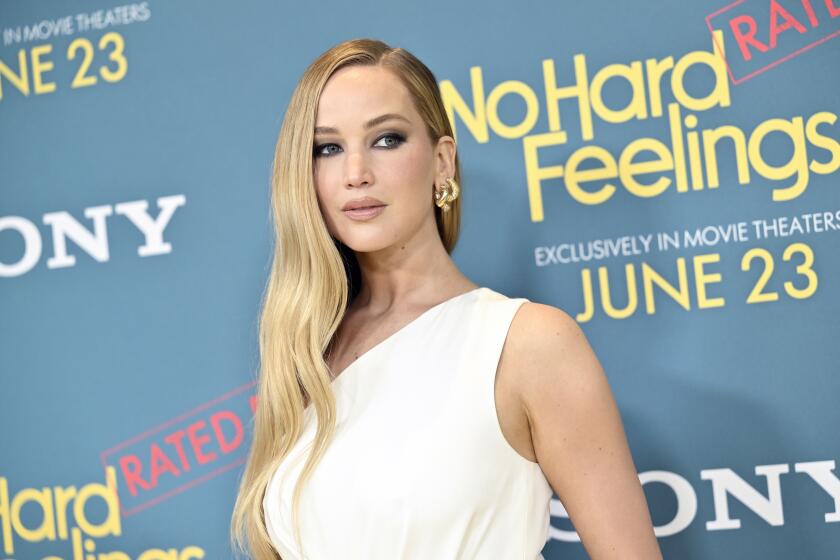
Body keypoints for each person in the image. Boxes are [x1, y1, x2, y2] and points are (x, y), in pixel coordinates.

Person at [230, 37, 662, 560]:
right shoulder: (306, 354)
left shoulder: (526, 344)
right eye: (328, 148)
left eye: (386, 139)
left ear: (442, 162)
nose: (355, 172)